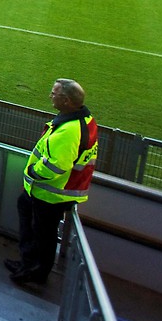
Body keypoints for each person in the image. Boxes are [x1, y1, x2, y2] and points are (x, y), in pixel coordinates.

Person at [6, 79, 97, 286]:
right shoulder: (81, 121)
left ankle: (35, 273)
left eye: (54, 93)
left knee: (43, 236)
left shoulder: (70, 130)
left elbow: (56, 166)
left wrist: (32, 172)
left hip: (53, 194)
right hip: (50, 191)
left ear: (66, 100)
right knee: (30, 217)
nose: (50, 96)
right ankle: (27, 263)